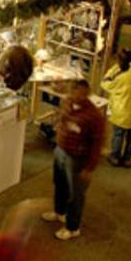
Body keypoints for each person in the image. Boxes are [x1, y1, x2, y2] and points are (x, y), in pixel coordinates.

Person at [42, 79, 104, 240]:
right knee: (60, 184)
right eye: (74, 92)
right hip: (61, 151)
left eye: (81, 93)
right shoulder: (68, 102)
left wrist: (89, 168)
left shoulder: (94, 116)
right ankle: (59, 212)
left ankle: (72, 227)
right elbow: (63, 119)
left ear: (87, 94)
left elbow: (97, 144)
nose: (76, 96)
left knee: (75, 194)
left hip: (78, 159)